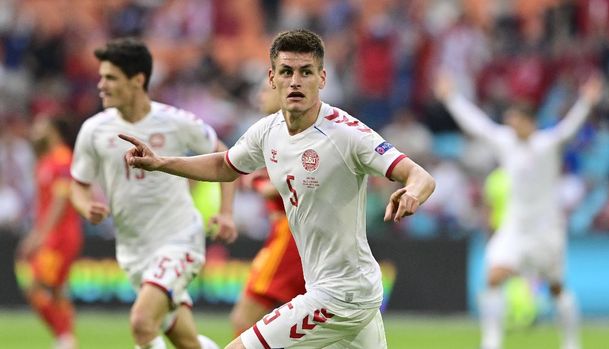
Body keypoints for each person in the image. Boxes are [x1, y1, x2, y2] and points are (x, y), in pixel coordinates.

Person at [120, 29, 436, 349]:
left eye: (306, 72)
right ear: (272, 78)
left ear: (322, 78)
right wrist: (161, 163)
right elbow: (224, 166)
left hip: (339, 296)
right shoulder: (267, 130)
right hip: (351, 292)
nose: (295, 81)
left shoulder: (347, 134)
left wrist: (412, 193)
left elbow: (420, 175)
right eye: (287, 71)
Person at [69, 37, 238, 349]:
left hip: (179, 238)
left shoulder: (176, 122)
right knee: (186, 342)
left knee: (142, 323)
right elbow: (77, 183)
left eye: (110, 78)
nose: (101, 85)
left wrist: (227, 212)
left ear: (137, 80)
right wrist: (85, 206)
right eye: (101, 77)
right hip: (133, 251)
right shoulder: (93, 130)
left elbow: (224, 157)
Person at [434, 72, 603, 349]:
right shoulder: (506, 142)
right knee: (493, 276)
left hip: (546, 228)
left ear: (529, 122)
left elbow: (571, 127)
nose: (510, 125)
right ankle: (492, 341)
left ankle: (571, 343)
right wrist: (451, 98)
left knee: (556, 287)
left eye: (516, 120)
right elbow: (478, 126)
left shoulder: (547, 144)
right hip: (515, 226)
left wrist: (586, 101)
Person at [229, 81, 306, 337]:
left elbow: (295, 179)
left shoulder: (297, 132)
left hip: (290, 235)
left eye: (265, 89)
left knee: (245, 318)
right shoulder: (269, 132)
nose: (259, 94)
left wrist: (258, 179)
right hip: (288, 233)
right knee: (294, 328)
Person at [17, 116, 82, 349]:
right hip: (51, 234)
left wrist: (40, 235)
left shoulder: (63, 158)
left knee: (34, 285)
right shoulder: (45, 160)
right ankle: (65, 338)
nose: (35, 129)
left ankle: (64, 336)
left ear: (53, 130)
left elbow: (60, 200)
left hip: (60, 235)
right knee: (56, 290)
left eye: (40, 125)